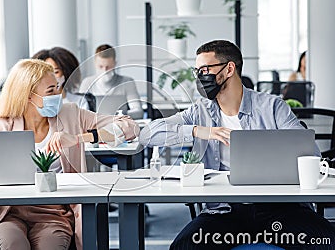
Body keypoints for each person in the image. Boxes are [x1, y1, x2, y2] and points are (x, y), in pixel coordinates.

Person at [139, 40, 335, 249]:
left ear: (229, 68)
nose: (200, 77)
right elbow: (147, 134)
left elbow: (311, 155)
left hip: (279, 209)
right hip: (225, 213)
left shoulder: (272, 107)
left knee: (326, 241)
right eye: (197, 71)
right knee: (184, 246)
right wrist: (198, 131)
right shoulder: (199, 111)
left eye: (205, 69)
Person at [0, 59, 139, 250]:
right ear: (27, 95)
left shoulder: (70, 114)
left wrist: (78, 138)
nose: (58, 95)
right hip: (9, 213)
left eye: (57, 87)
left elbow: (129, 127)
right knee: (13, 244)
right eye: (50, 91)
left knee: (50, 246)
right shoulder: (1, 125)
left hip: (54, 214)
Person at [79, 44, 143, 119]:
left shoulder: (127, 82)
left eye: (108, 67)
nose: (104, 70)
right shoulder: (87, 83)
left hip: (120, 126)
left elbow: (138, 111)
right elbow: (79, 112)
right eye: (101, 67)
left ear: (115, 64)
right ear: (95, 63)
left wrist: (122, 116)